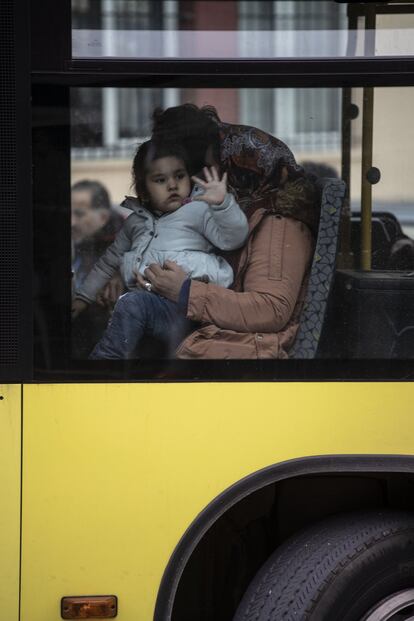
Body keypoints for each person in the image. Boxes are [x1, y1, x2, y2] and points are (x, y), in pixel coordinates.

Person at [138, 103, 319, 359]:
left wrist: (185, 292)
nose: (192, 183)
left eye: (204, 169)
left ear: (240, 169)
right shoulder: (242, 213)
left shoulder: (278, 225)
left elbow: (270, 309)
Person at [72, 140, 249, 359]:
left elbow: (233, 239)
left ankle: (104, 363)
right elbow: (108, 263)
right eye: (160, 180)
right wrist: (82, 298)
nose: (172, 185)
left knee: (130, 304)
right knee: (128, 307)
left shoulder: (198, 211)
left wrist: (223, 205)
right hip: (149, 308)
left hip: (190, 312)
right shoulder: (134, 223)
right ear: (143, 189)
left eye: (179, 176)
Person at [71, 180, 124, 358]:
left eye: (79, 214)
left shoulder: (130, 241)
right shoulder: (82, 239)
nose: (71, 221)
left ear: (102, 217)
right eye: (69, 213)